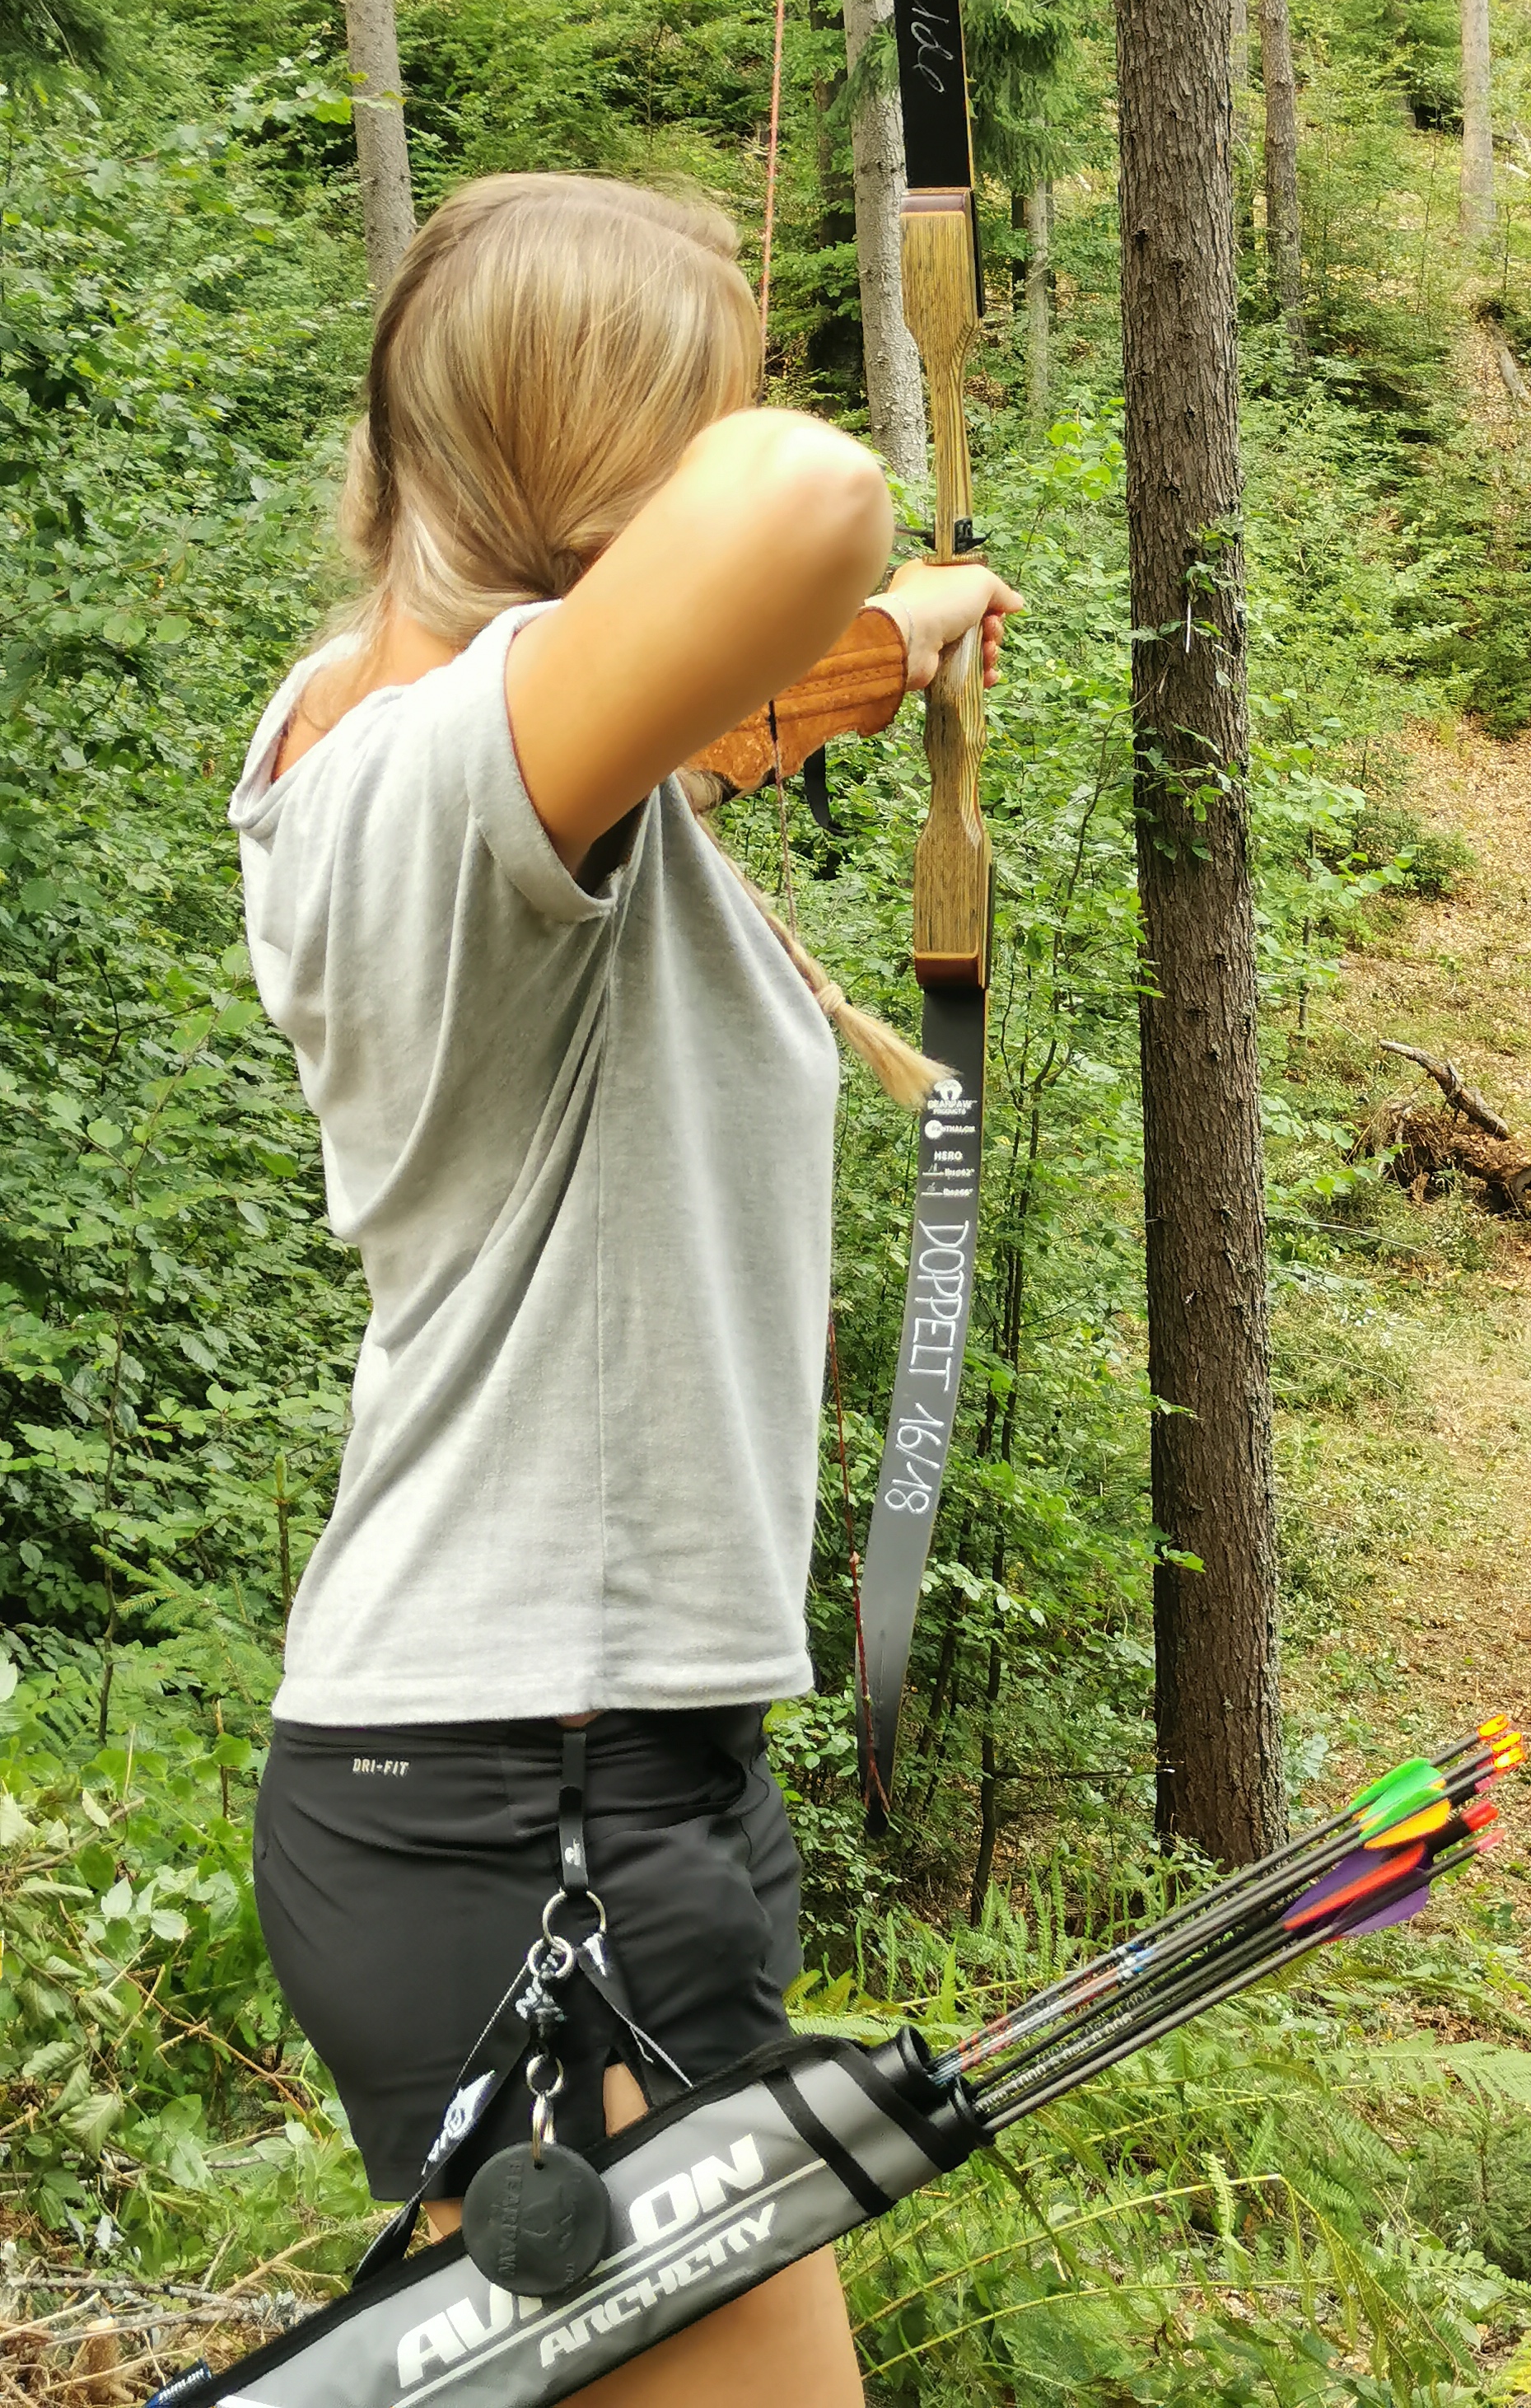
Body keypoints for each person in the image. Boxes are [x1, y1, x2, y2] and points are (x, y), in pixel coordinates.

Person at [230, 174, 1019, 2408]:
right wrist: (828, 563)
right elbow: (806, 503)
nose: (744, 443)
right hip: (528, 1812)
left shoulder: (396, 737)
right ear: (609, 490)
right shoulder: (429, 797)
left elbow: (695, 689)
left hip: (566, 1781)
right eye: (699, 414)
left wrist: (890, 641)